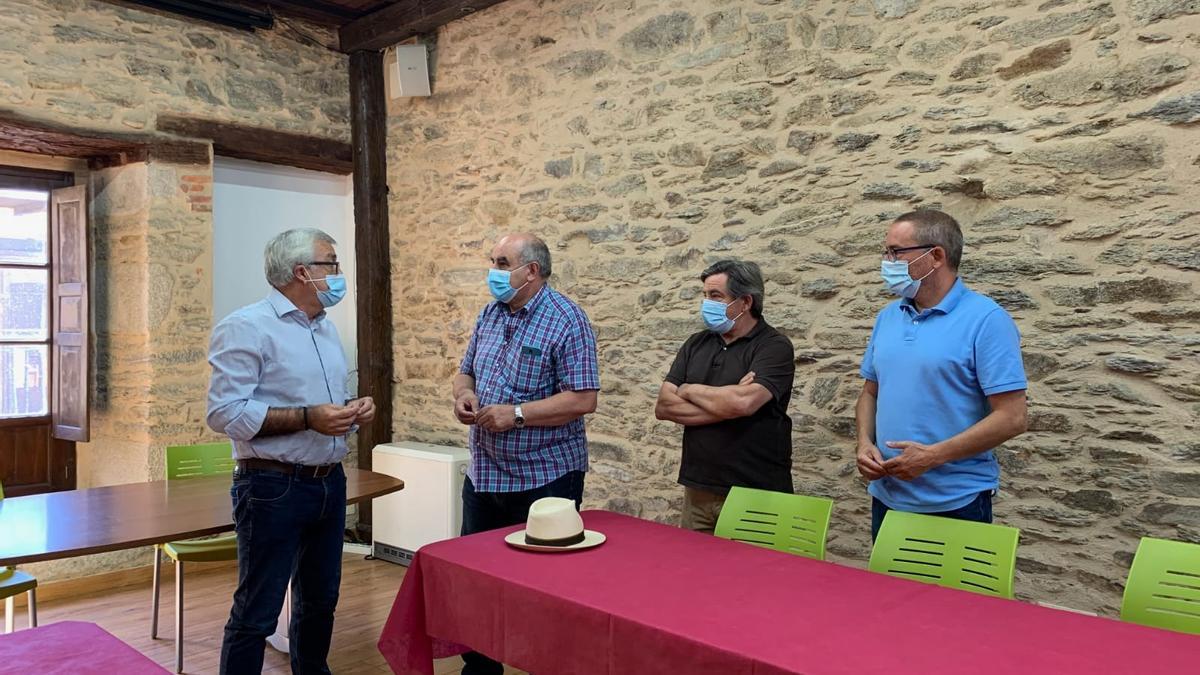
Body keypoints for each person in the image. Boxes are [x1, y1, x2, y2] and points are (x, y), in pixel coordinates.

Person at [207, 228, 374, 674]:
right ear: (303, 272)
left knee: (320, 601)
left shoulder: (324, 327)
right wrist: (308, 417)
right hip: (271, 486)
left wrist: (353, 408)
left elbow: (320, 401)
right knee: (257, 611)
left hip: (328, 482)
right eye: (331, 263)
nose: (339, 273)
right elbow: (224, 413)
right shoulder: (246, 326)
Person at [451, 232, 600, 675]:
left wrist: (515, 414)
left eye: (501, 263)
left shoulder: (567, 320)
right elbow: (464, 372)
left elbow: (582, 399)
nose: (493, 272)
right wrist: (465, 396)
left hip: (546, 478)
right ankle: (479, 668)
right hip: (485, 475)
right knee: (477, 581)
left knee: (543, 588)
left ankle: (547, 664)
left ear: (531, 270)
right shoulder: (490, 314)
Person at [856, 209, 1028, 541]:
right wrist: (864, 443)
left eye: (896, 252)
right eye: (886, 252)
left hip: (956, 503)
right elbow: (870, 393)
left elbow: (1013, 417)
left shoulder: (986, 320)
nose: (887, 261)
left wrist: (933, 456)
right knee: (884, 594)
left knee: (950, 596)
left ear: (936, 256)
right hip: (887, 497)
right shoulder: (888, 317)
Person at [654, 260, 796, 534]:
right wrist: (728, 402)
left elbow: (744, 402)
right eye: (705, 295)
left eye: (716, 296)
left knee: (752, 574)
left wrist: (689, 389)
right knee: (696, 574)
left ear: (744, 302)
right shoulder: (697, 343)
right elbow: (664, 407)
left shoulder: (773, 346)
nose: (707, 303)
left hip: (755, 492)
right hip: (699, 490)